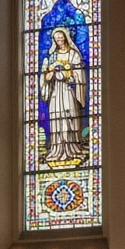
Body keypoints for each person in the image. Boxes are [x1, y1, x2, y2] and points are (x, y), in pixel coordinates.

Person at [40, 25, 86, 163]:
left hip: (68, 89)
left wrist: (69, 74)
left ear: (66, 38)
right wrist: (52, 71)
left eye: (61, 38)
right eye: (56, 39)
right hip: (56, 91)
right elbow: (46, 77)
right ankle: (57, 149)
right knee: (57, 117)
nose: (59, 41)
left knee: (69, 114)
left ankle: (72, 148)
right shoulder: (52, 56)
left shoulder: (73, 54)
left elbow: (78, 74)